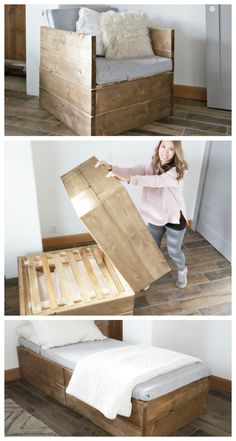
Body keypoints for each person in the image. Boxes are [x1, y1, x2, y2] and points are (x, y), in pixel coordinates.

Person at [96, 140, 188, 289]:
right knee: (151, 249)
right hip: (156, 216)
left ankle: (183, 270)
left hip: (174, 217)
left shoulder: (177, 172)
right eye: (163, 146)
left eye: (171, 149)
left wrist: (128, 180)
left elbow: (155, 181)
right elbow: (130, 171)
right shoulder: (150, 165)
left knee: (173, 252)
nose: (165, 151)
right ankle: (148, 275)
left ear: (176, 152)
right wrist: (111, 167)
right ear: (158, 147)